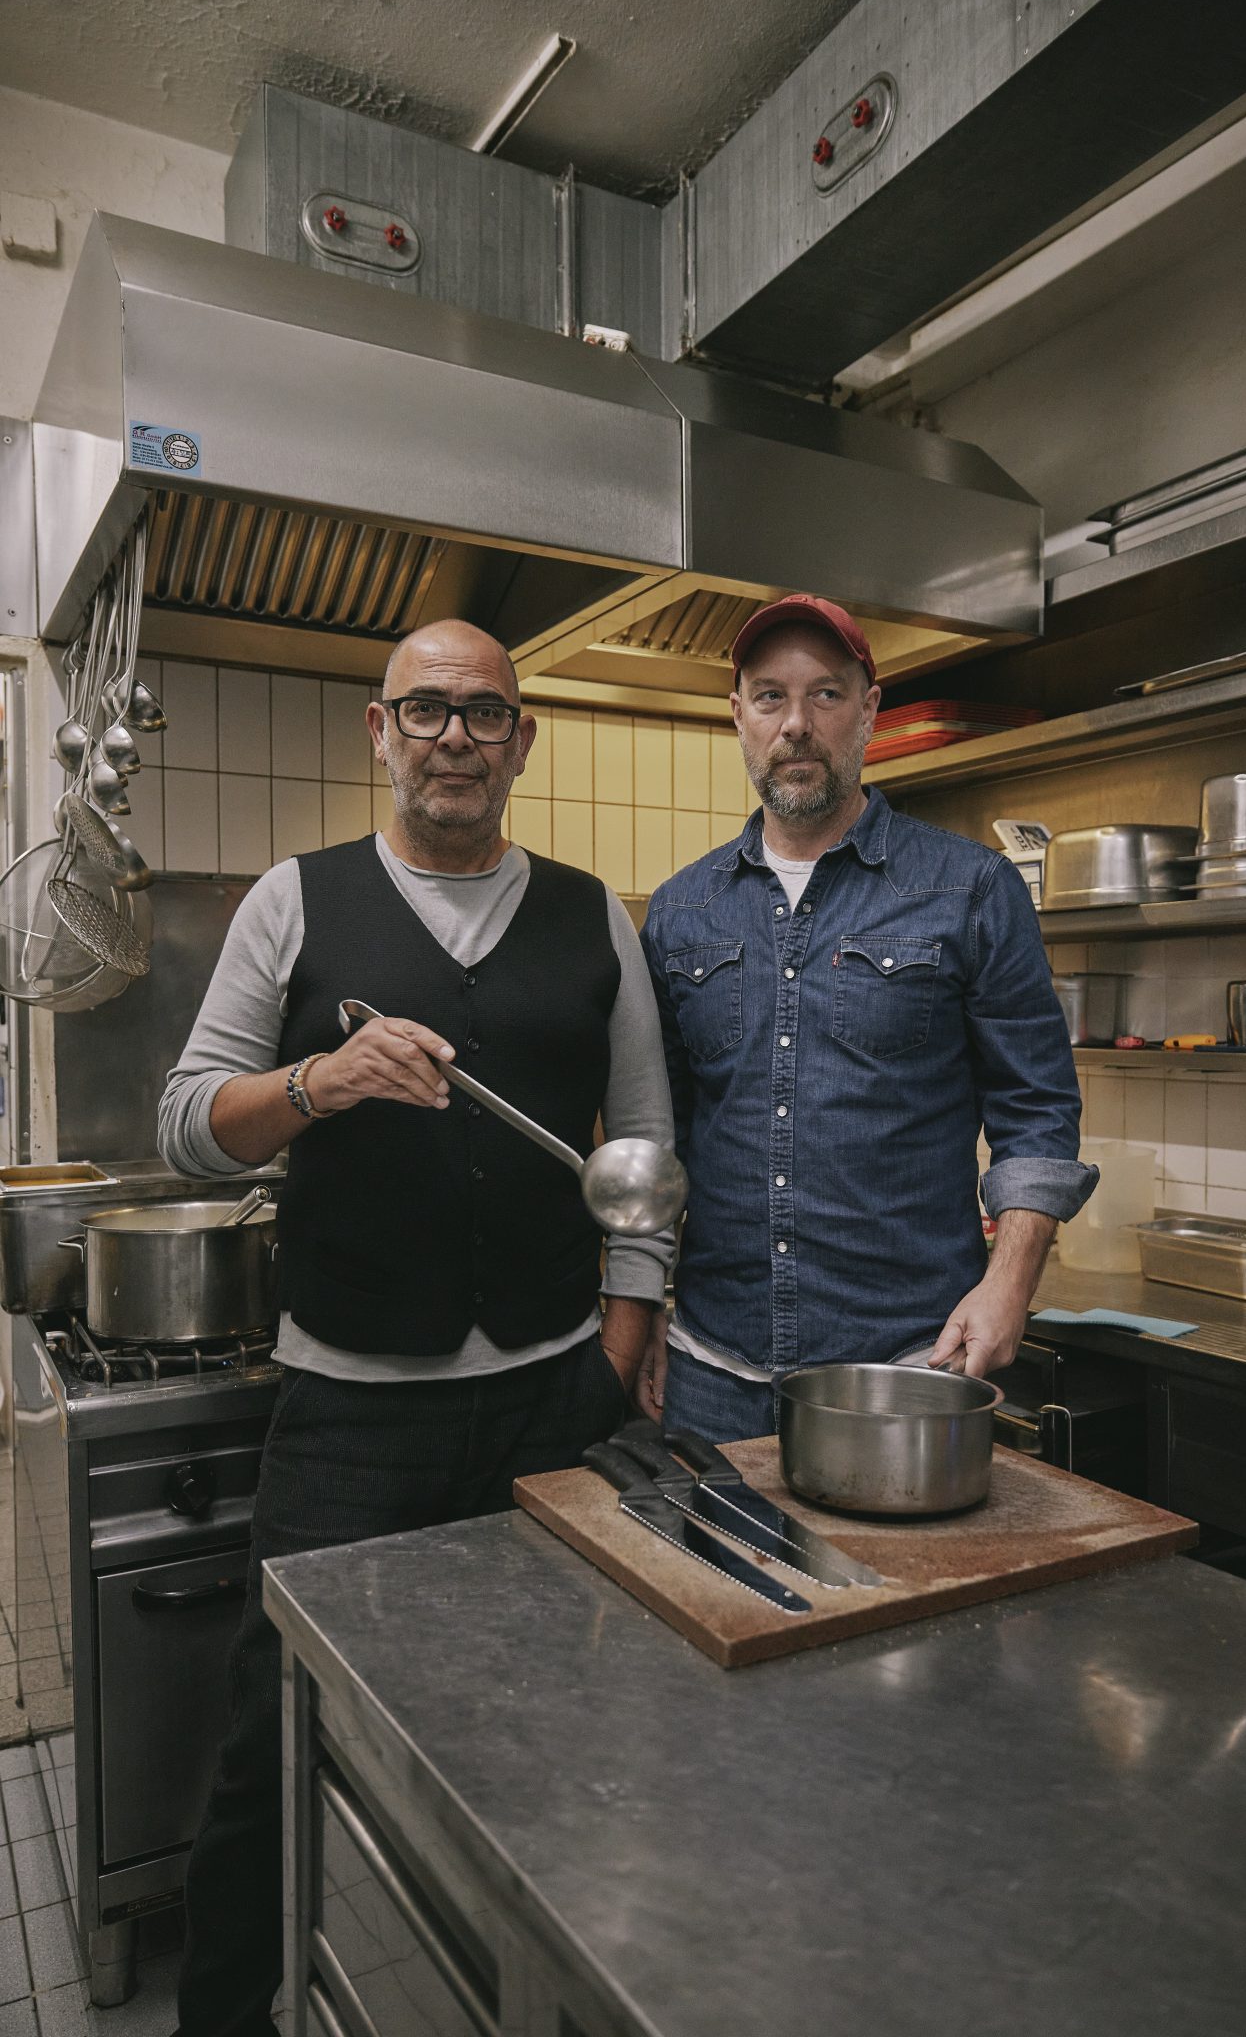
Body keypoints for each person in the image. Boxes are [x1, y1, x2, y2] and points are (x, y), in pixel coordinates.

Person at [160, 619, 671, 2037]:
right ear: (379, 732)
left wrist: (619, 1344)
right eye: (427, 709)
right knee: (273, 1735)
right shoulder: (295, 900)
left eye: (485, 712)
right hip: (350, 1420)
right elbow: (187, 1123)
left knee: (544, 1731)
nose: (456, 735)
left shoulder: (591, 917)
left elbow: (642, 1148)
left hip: (553, 1407)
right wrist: (316, 1082)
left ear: (522, 741)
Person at [636, 594, 1096, 1440]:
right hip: (713, 1368)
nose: (796, 725)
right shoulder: (680, 910)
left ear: (869, 709)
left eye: (826, 694)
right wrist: (647, 1310)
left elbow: (1036, 1110)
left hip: (907, 1371)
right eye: (770, 697)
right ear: (738, 716)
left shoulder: (971, 889)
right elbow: (662, 1137)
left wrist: (1010, 1282)